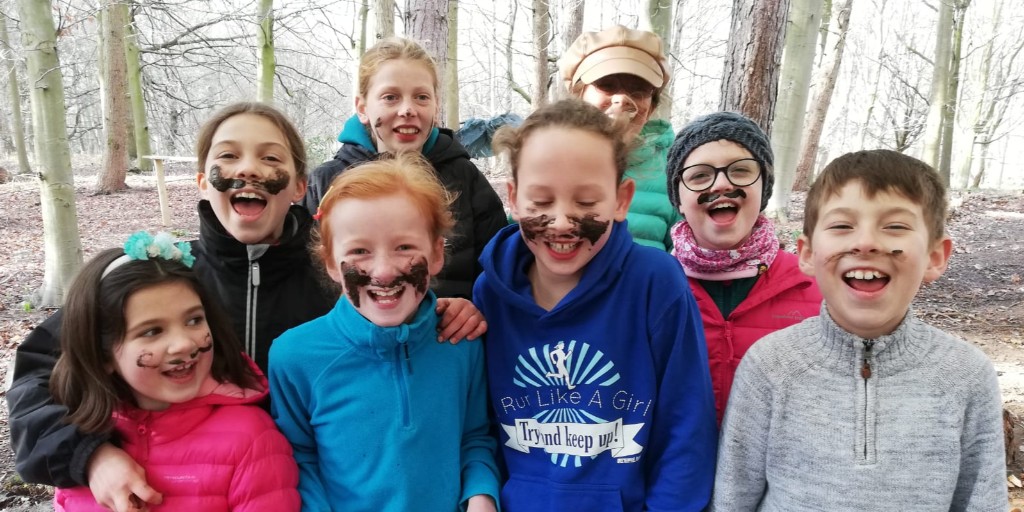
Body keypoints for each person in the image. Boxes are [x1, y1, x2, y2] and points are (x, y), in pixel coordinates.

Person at [6, 101, 483, 512]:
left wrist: (446, 308)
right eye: (229, 155)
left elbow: (399, 302)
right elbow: (38, 375)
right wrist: (91, 455)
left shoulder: (340, 278)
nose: (248, 169)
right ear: (201, 180)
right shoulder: (162, 283)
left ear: (300, 185)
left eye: (269, 157)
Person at [711, 149, 1007, 511]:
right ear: (806, 253)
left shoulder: (966, 374)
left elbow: (982, 501)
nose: (865, 242)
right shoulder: (770, 365)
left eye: (895, 226)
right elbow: (732, 498)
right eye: (842, 226)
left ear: (935, 257)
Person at [476, 99, 716, 511]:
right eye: (541, 202)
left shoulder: (656, 283)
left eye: (587, 202)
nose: (563, 220)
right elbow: (478, 427)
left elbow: (686, 427)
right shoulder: (490, 294)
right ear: (513, 198)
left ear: (622, 200)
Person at [270, 153, 500, 511]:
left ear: (437, 254)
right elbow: (299, 458)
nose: (384, 272)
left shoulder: (460, 341)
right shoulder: (293, 356)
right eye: (359, 251)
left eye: (404, 247)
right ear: (332, 263)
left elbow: (474, 437)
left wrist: (481, 494)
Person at [50, 231, 299, 511]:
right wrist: (90, 458)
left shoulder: (251, 440)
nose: (183, 344)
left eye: (193, 320)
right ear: (102, 354)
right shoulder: (79, 446)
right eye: (152, 331)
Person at [302, 37, 507, 299]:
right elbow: (309, 282)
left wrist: (473, 308)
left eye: (421, 97)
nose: (408, 109)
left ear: (435, 106)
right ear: (363, 108)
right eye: (391, 97)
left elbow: (498, 272)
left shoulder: (465, 178)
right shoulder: (327, 183)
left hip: (447, 336)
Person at [665, 111, 822, 423]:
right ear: (679, 199)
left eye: (740, 171)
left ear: (763, 190)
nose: (722, 184)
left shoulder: (815, 289)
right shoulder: (653, 289)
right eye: (699, 175)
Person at [558, 24, 680, 251]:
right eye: (606, 84)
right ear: (579, 94)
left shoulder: (676, 170)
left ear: (651, 106)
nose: (622, 99)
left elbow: (688, 263)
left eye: (638, 89)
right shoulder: (545, 157)